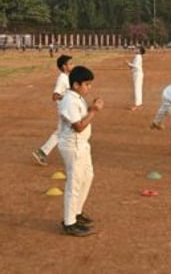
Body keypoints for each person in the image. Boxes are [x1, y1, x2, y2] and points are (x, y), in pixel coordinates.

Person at [57, 65, 103, 236]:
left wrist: (90, 109)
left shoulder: (77, 97)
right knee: (74, 183)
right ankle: (69, 222)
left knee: (87, 177)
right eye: (87, 84)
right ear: (76, 85)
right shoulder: (69, 100)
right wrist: (94, 111)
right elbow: (78, 126)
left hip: (82, 144)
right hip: (73, 145)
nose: (89, 87)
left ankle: (76, 212)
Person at [33, 55, 73, 166]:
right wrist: (68, 98)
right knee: (66, 131)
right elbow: (55, 96)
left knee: (62, 132)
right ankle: (43, 151)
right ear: (64, 67)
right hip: (64, 110)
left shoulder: (66, 77)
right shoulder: (62, 78)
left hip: (67, 109)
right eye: (70, 64)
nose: (72, 65)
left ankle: (43, 151)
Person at [127, 46, 145, 110]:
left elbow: (136, 66)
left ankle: (137, 105)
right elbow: (135, 66)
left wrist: (129, 64)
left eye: (137, 49)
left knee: (137, 89)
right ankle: (139, 104)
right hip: (137, 73)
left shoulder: (138, 56)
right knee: (138, 89)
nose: (135, 49)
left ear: (139, 51)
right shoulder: (137, 56)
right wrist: (130, 66)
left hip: (138, 74)